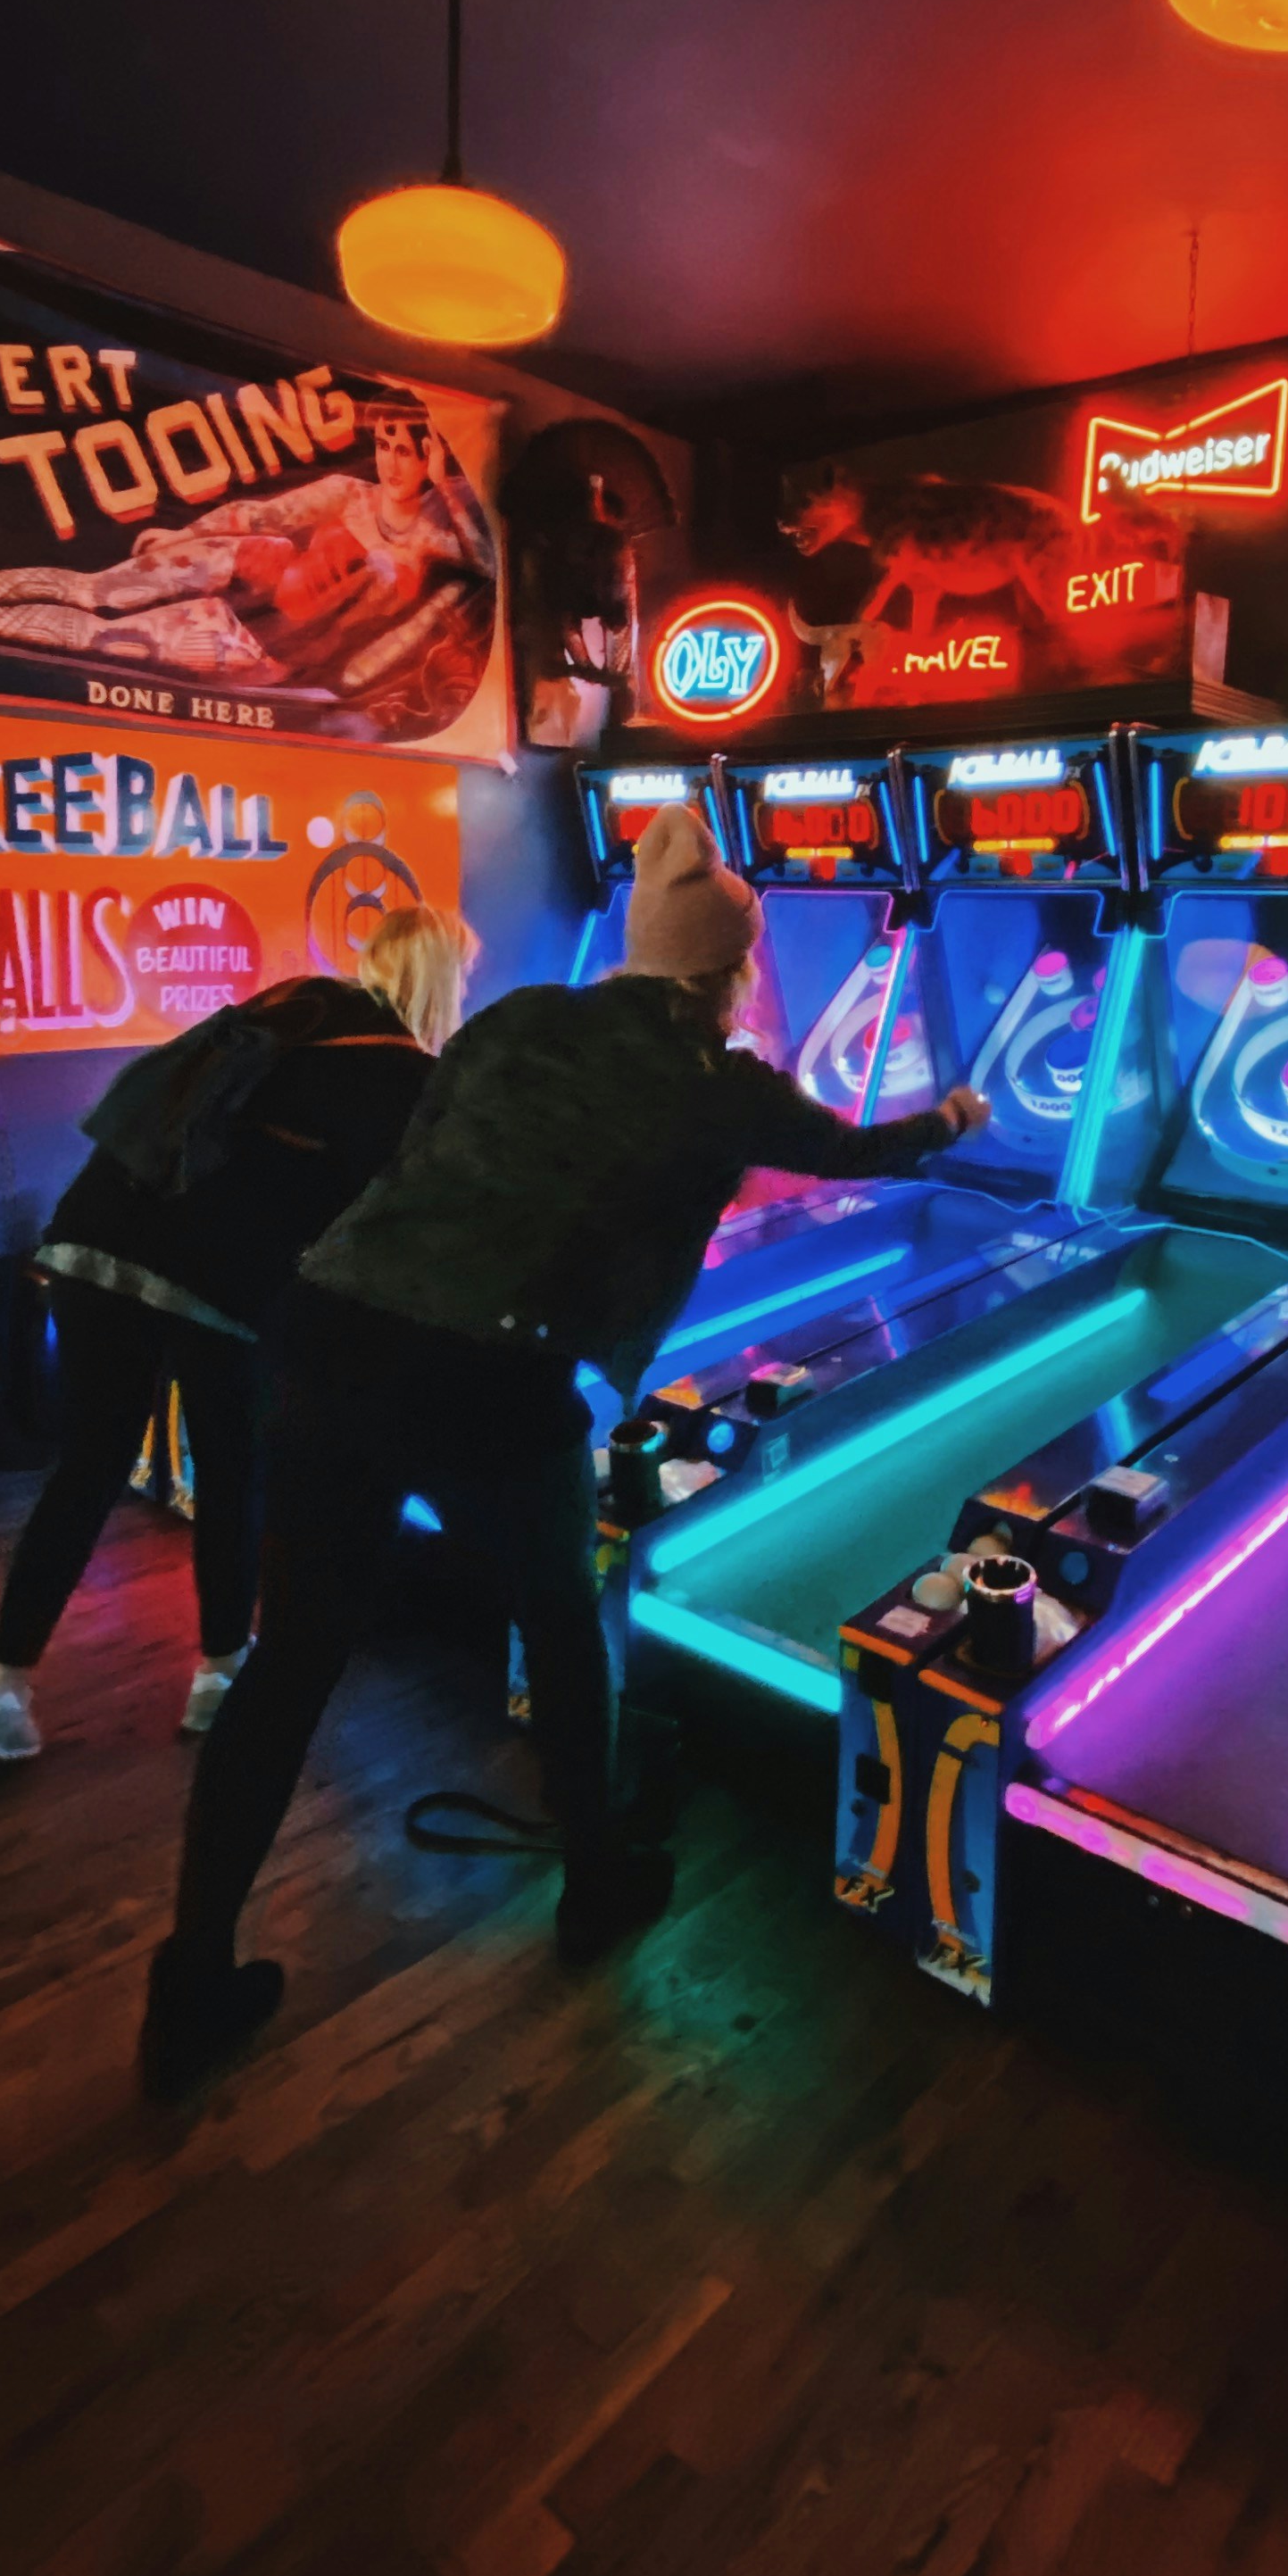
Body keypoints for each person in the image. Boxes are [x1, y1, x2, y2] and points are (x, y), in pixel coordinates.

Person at [137, 802, 990, 2100]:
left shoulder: (521, 1018)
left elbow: (433, 1156)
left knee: (292, 1660)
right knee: (561, 1605)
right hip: (488, 1360)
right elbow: (849, 1151)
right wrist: (957, 1118)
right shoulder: (721, 1083)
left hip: (332, 1325)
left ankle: (192, 1975)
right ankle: (593, 1887)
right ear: (733, 970)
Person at [0, 901, 474, 1764]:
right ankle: (219, 1675)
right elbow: (390, 1229)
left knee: (85, 1471)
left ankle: (1, 1696)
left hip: (93, 1235)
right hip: (215, 1280)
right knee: (234, 1475)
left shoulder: (298, 1006)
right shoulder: (401, 1073)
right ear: (444, 980)